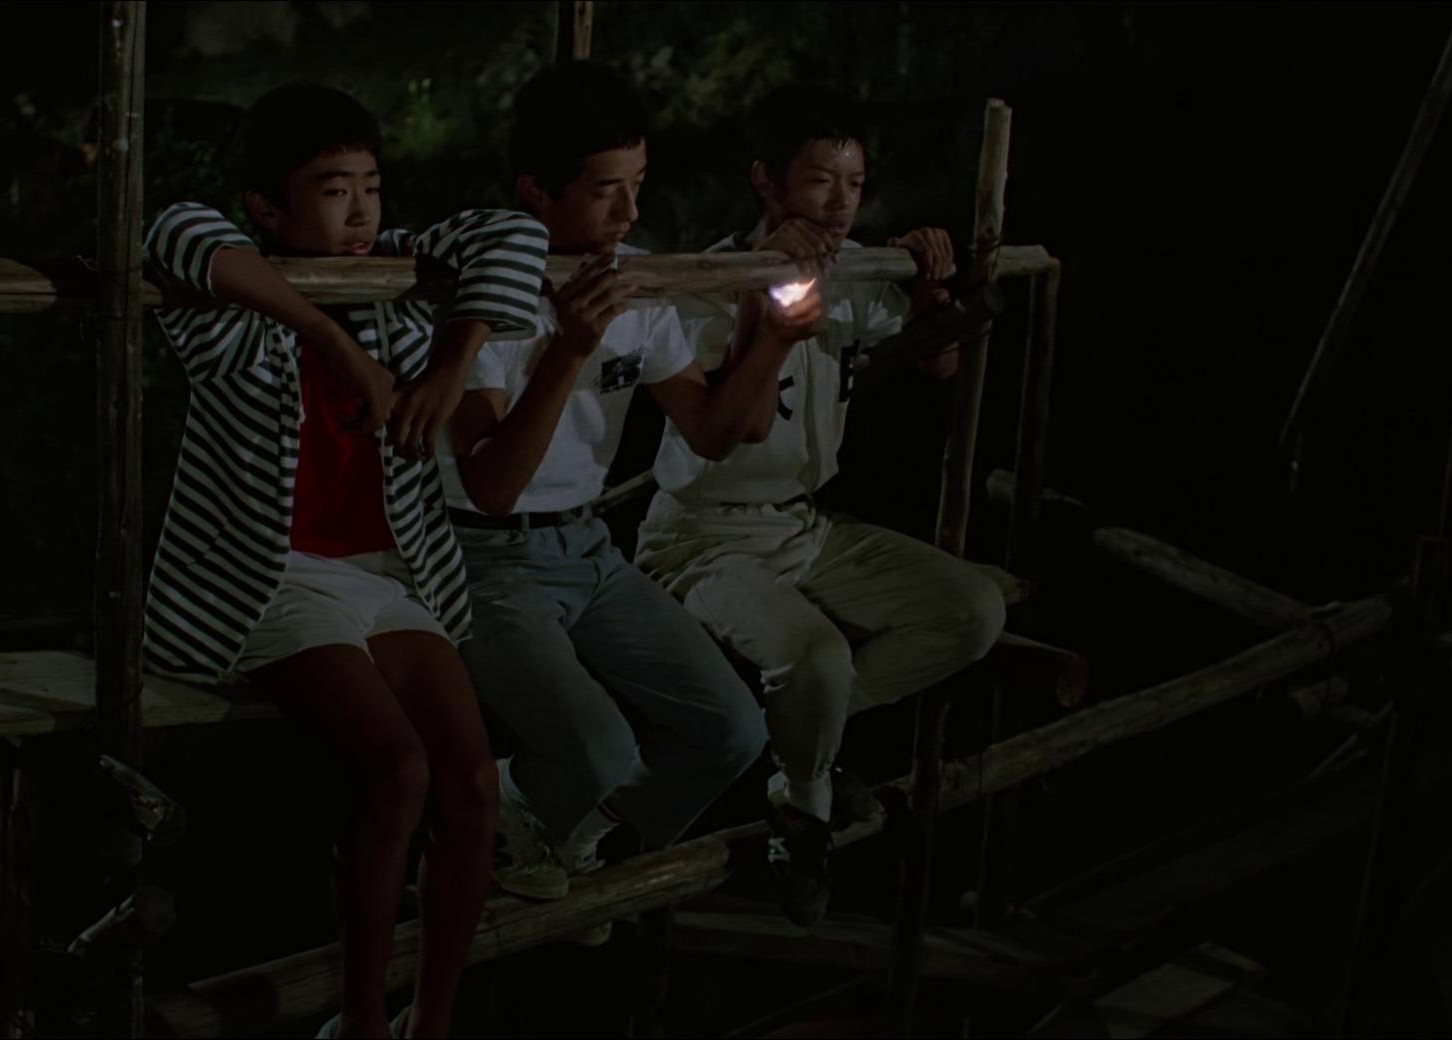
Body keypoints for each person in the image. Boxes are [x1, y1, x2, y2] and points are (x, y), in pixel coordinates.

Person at [143, 82, 548, 1038]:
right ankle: (362, 1021)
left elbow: (513, 234)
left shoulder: (397, 288)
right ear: (269, 208)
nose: (362, 211)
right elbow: (173, 228)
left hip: (388, 573)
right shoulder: (230, 315)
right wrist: (329, 337)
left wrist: (451, 363)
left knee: (472, 785)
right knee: (396, 769)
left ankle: (430, 1023)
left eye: (370, 186)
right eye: (333, 191)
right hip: (273, 577)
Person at [634, 82, 1008, 927]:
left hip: (803, 523)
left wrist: (924, 278)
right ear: (766, 180)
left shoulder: (856, 270)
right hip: (703, 534)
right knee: (817, 657)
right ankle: (802, 810)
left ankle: (809, 739)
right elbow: (723, 432)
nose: (840, 204)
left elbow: (940, 364)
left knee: (971, 610)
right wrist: (762, 305)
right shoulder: (707, 284)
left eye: (855, 183)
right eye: (818, 180)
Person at [438, 62, 799, 922]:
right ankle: (515, 807)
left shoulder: (634, 283)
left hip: (590, 546)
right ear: (536, 189)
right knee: (600, 746)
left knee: (734, 729)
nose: (630, 212)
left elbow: (710, 431)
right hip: (483, 554)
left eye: (638, 184)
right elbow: (491, 484)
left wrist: (777, 338)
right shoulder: (483, 292)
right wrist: (567, 351)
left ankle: (574, 832)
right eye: (606, 191)